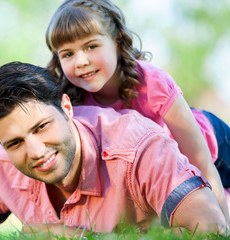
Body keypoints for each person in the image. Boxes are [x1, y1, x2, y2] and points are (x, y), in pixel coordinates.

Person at [0, 62, 228, 237]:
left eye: (41, 127)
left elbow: (211, 229)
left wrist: (81, 239)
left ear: (66, 108)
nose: (36, 151)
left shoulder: (136, 147)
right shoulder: (1, 164)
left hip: (215, 147)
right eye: (15, 142)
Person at [45, 0, 230, 223]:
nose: (81, 61)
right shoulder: (73, 102)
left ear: (116, 41)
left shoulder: (153, 83)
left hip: (214, 146)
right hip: (173, 167)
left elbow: (201, 164)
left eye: (91, 46)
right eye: (67, 54)